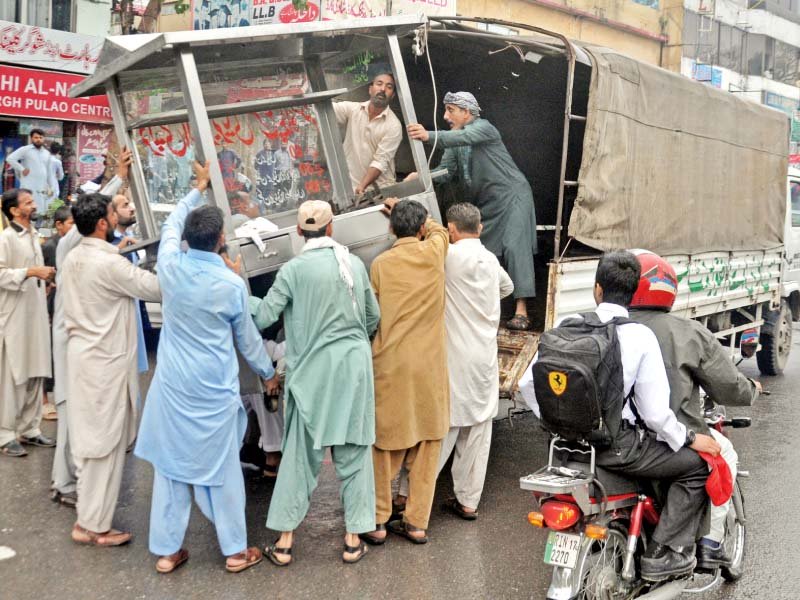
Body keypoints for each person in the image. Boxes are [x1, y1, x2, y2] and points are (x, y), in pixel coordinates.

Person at [519, 251, 721, 581]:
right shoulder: (639, 336)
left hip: (564, 448)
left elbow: (529, 384)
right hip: (617, 450)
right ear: (632, 294)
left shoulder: (564, 326)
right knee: (697, 466)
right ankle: (662, 553)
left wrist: (555, 423)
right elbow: (656, 415)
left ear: (597, 289)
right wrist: (688, 437)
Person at [135, 160, 277, 574]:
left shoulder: (171, 267)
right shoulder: (230, 285)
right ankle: (235, 551)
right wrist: (268, 374)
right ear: (220, 241)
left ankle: (167, 551)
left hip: (173, 386)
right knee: (222, 470)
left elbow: (169, 227)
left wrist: (196, 190)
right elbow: (249, 341)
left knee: (172, 467)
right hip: (213, 390)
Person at [250, 200, 380, 566]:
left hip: (310, 377)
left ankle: (286, 542)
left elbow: (263, 315)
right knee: (354, 455)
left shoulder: (292, 270)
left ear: (297, 232)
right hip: (352, 372)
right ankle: (354, 540)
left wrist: (236, 288)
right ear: (331, 228)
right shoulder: (352, 264)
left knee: (298, 459)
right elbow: (373, 316)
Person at [627, 250, 761, 570]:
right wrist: (750, 391)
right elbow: (727, 385)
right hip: (666, 437)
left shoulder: (610, 324)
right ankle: (709, 544)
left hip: (614, 436)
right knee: (722, 455)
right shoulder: (688, 331)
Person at [61, 190, 161, 547]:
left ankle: (87, 520)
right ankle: (95, 526)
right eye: (112, 211)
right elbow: (156, 287)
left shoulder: (76, 256)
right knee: (104, 445)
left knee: (91, 445)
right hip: (104, 363)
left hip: (84, 358)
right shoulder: (109, 264)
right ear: (103, 223)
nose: (120, 215)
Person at [407, 92, 537, 331]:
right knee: (481, 247)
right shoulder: (455, 139)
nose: (445, 116)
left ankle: (522, 311)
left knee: (514, 245)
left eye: (451, 110)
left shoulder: (484, 128)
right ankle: (486, 305)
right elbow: (446, 171)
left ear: (467, 112)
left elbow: (462, 137)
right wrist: (421, 177)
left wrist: (428, 136)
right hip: (488, 202)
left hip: (512, 196)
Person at [361, 198, 449, 546]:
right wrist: (421, 216)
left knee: (384, 446)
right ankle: (416, 524)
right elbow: (441, 230)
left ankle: (379, 521)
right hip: (429, 366)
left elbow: (372, 314)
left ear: (391, 229)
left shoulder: (380, 264)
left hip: (390, 364)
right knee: (428, 444)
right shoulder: (434, 254)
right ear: (423, 229)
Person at [49, 152, 130, 508]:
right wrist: (117, 177)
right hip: (71, 341)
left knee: (78, 414)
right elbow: (92, 209)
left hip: (77, 340)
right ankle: (64, 483)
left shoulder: (88, 250)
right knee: (70, 415)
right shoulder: (71, 245)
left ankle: (71, 480)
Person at [434, 203, 514, 518]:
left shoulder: (448, 258)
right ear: (479, 228)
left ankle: (415, 499)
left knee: (445, 428)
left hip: (455, 356)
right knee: (478, 430)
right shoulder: (491, 260)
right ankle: (468, 501)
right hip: (484, 357)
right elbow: (508, 288)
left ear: (451, 230)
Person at [0, 188, 56, 457]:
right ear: (13, 210)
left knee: (37, 370)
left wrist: (43, 278)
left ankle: (30, 428)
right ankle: (6, 433)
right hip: (14, 315)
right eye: (28, 202)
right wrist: (31, 271)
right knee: (14, 374)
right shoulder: (6, 238)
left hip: (35, 312)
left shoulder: (33, 235)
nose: (34, 205)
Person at [333, 65, 403, 196]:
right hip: (350, 187)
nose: (383, 89)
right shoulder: (354, 110)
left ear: (392, 95)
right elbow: (327, 111)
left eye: (389, 87)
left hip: (379, 191)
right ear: (370, 89)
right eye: (379, 84)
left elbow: (380, 161)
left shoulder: (394, 126)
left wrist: (362, 186)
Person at [6, 129, 58, 216]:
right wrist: (22, 169)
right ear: (31, 138)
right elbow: (10, 159)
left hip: (42, 187)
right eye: (36, 137)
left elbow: (49, 172)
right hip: (28, 185)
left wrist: (51, 187)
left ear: (43, 139)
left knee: (41, 211)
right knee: (27, 208)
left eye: (40, 137)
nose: (38, 139)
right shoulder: (25, 150)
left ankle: (37, 228)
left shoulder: (46, 153)